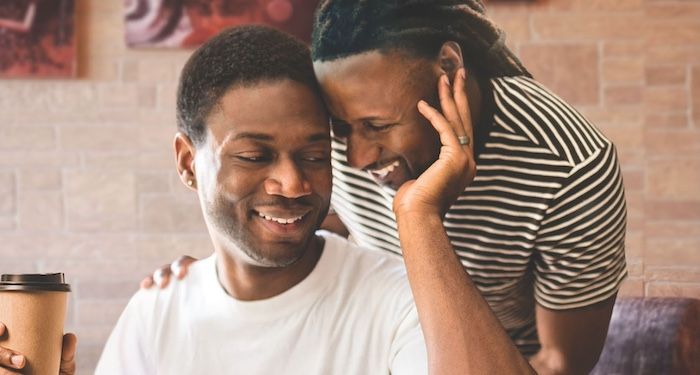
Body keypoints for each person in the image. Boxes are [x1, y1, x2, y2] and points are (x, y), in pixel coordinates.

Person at [148, 1, 628, 374]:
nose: (356, 157)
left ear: (447, 65)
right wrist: (230, 271)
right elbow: (318, 225)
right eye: (341, 129)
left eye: (378, 125)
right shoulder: (334, 132)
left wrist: (419, 214)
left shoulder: (570, 167)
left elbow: (560, 363)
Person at [91, 24, 529, 374]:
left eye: (314, 155)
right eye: (254, 156)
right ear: (188, 163)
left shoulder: (403, 301)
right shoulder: (157, 311)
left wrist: (420, 217)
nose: (293, 183)